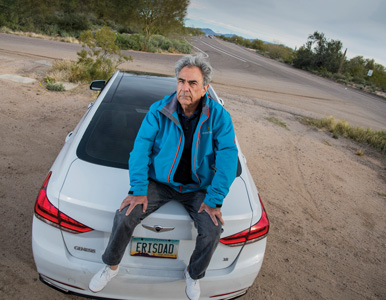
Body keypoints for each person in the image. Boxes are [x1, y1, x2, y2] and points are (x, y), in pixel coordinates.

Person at [89, 53, 238, 300]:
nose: (184, 88)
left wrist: (215, 198)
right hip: (160, 183)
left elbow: (227, 158)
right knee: (125, 215)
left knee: (212, 229)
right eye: (181, 81)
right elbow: (140, 148)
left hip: (197, 187)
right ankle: (110, 266)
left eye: (192, 83)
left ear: (205, 88)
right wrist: (138, 189)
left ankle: (193, 274)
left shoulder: (220, 117)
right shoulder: (159, 111)